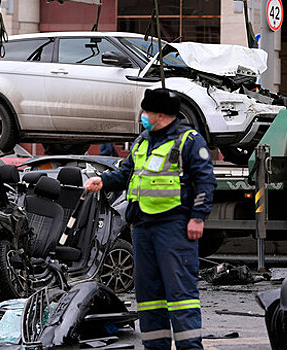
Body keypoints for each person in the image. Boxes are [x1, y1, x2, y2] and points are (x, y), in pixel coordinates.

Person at [84, 88, 216, 350]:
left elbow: (205, 181)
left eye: (146, 111)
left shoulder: (189, 141)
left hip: (174, 226)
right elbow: (126, 173)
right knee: (148, 296)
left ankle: (190, 347)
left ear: (160, 114)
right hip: (142, 226)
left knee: (181, 295)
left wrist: (198, 217)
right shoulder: (142, 140)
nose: (142, 116)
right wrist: (103, 180)